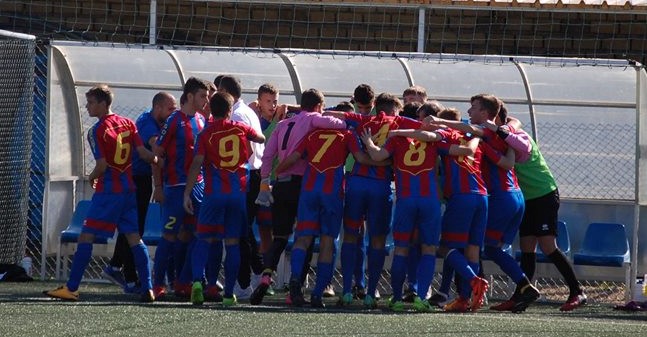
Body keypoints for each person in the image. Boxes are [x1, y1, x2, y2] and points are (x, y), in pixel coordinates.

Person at [45, 84, 160, 302]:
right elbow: (144, 153)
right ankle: (148, 288)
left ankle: (71, 288)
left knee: (86, 236)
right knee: (135, 239)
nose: (87, 107)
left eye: (90, 103)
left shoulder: (97, 130)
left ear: (102, 104)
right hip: (129, 190)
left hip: (109, 192)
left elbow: (102, 164)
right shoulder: (128, 123)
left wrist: (92, 177)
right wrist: (159, 161)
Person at [249, 88, 347, 306]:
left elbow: (267, 154)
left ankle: (266, 276)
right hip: (305, 184)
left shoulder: (283, 124)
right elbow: (340, 125)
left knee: (280, 237)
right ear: (320, 106)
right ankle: (296, 289)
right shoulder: (315, 120)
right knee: (306, 237)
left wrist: (266, 181)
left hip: (281, 185)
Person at [325, 93, 422, 308]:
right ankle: (370, 292)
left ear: (376, 108)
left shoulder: (363, 120)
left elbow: (335, 114)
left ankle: (347, 291)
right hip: (380, 187)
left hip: (357, 184)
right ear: (393, 111)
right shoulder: (399, 122)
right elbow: (424, 127)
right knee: (377, 240)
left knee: (350, 236)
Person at [488, 105, 587, 312]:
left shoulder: (517, 135)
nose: (471, 112)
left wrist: (503, 129)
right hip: (526, 198)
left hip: (544, 194)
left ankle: (577, 291)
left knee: (548, 246)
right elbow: (511, 120)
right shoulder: (501, 133)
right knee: (526, 247)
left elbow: (520, 142)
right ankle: (521, 295)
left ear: (494, 117)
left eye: (475, 108)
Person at [183, 92, 265, 306]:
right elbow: (261, 138)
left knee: (204, 239)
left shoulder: (205, 133)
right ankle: (229, 294)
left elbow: (197, 163)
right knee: (232, 243)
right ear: (230, 111)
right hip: (237, 195)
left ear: (210, 109)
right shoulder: (239, 128)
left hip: (213, 194)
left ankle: (197, 283)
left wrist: (187, 192)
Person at [360, 123, 444, 312]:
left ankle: (397, 298)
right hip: (429, 200)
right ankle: (422, 297)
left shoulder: (397, 139)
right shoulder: (435, 138)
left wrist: (368, 142)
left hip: (406, 200)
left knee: (401, 249)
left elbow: (377, 156)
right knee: (429, 249)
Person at [101, 92, 176, 293]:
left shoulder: (155, 120)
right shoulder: (147, 123)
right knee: (134, 228)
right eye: (170, 109)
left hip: (138, 179)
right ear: (158, 107)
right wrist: (168, 161)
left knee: (133, 227)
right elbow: (154, 147)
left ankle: (116, 267)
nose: (172, 113)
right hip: (135, 178)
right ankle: (131, 278)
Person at [152, 77, 209, 300]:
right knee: (169, 236)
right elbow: (157, 153)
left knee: (196, 235)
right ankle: (158, 284)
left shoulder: (202, 121)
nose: (206, 100)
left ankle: (183, 281)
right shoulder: (174, 120)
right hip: (175, 188)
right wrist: (159, 185)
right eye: (203, 96)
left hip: (198, 187)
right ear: (190, 96)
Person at [217, 75, 266, 300]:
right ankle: (257, 273)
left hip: (243, 176)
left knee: (240, 231)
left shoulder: (235, 114)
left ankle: (244, 283)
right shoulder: (248, 111)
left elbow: (244, 149)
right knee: (244, 229)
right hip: (254, 174)